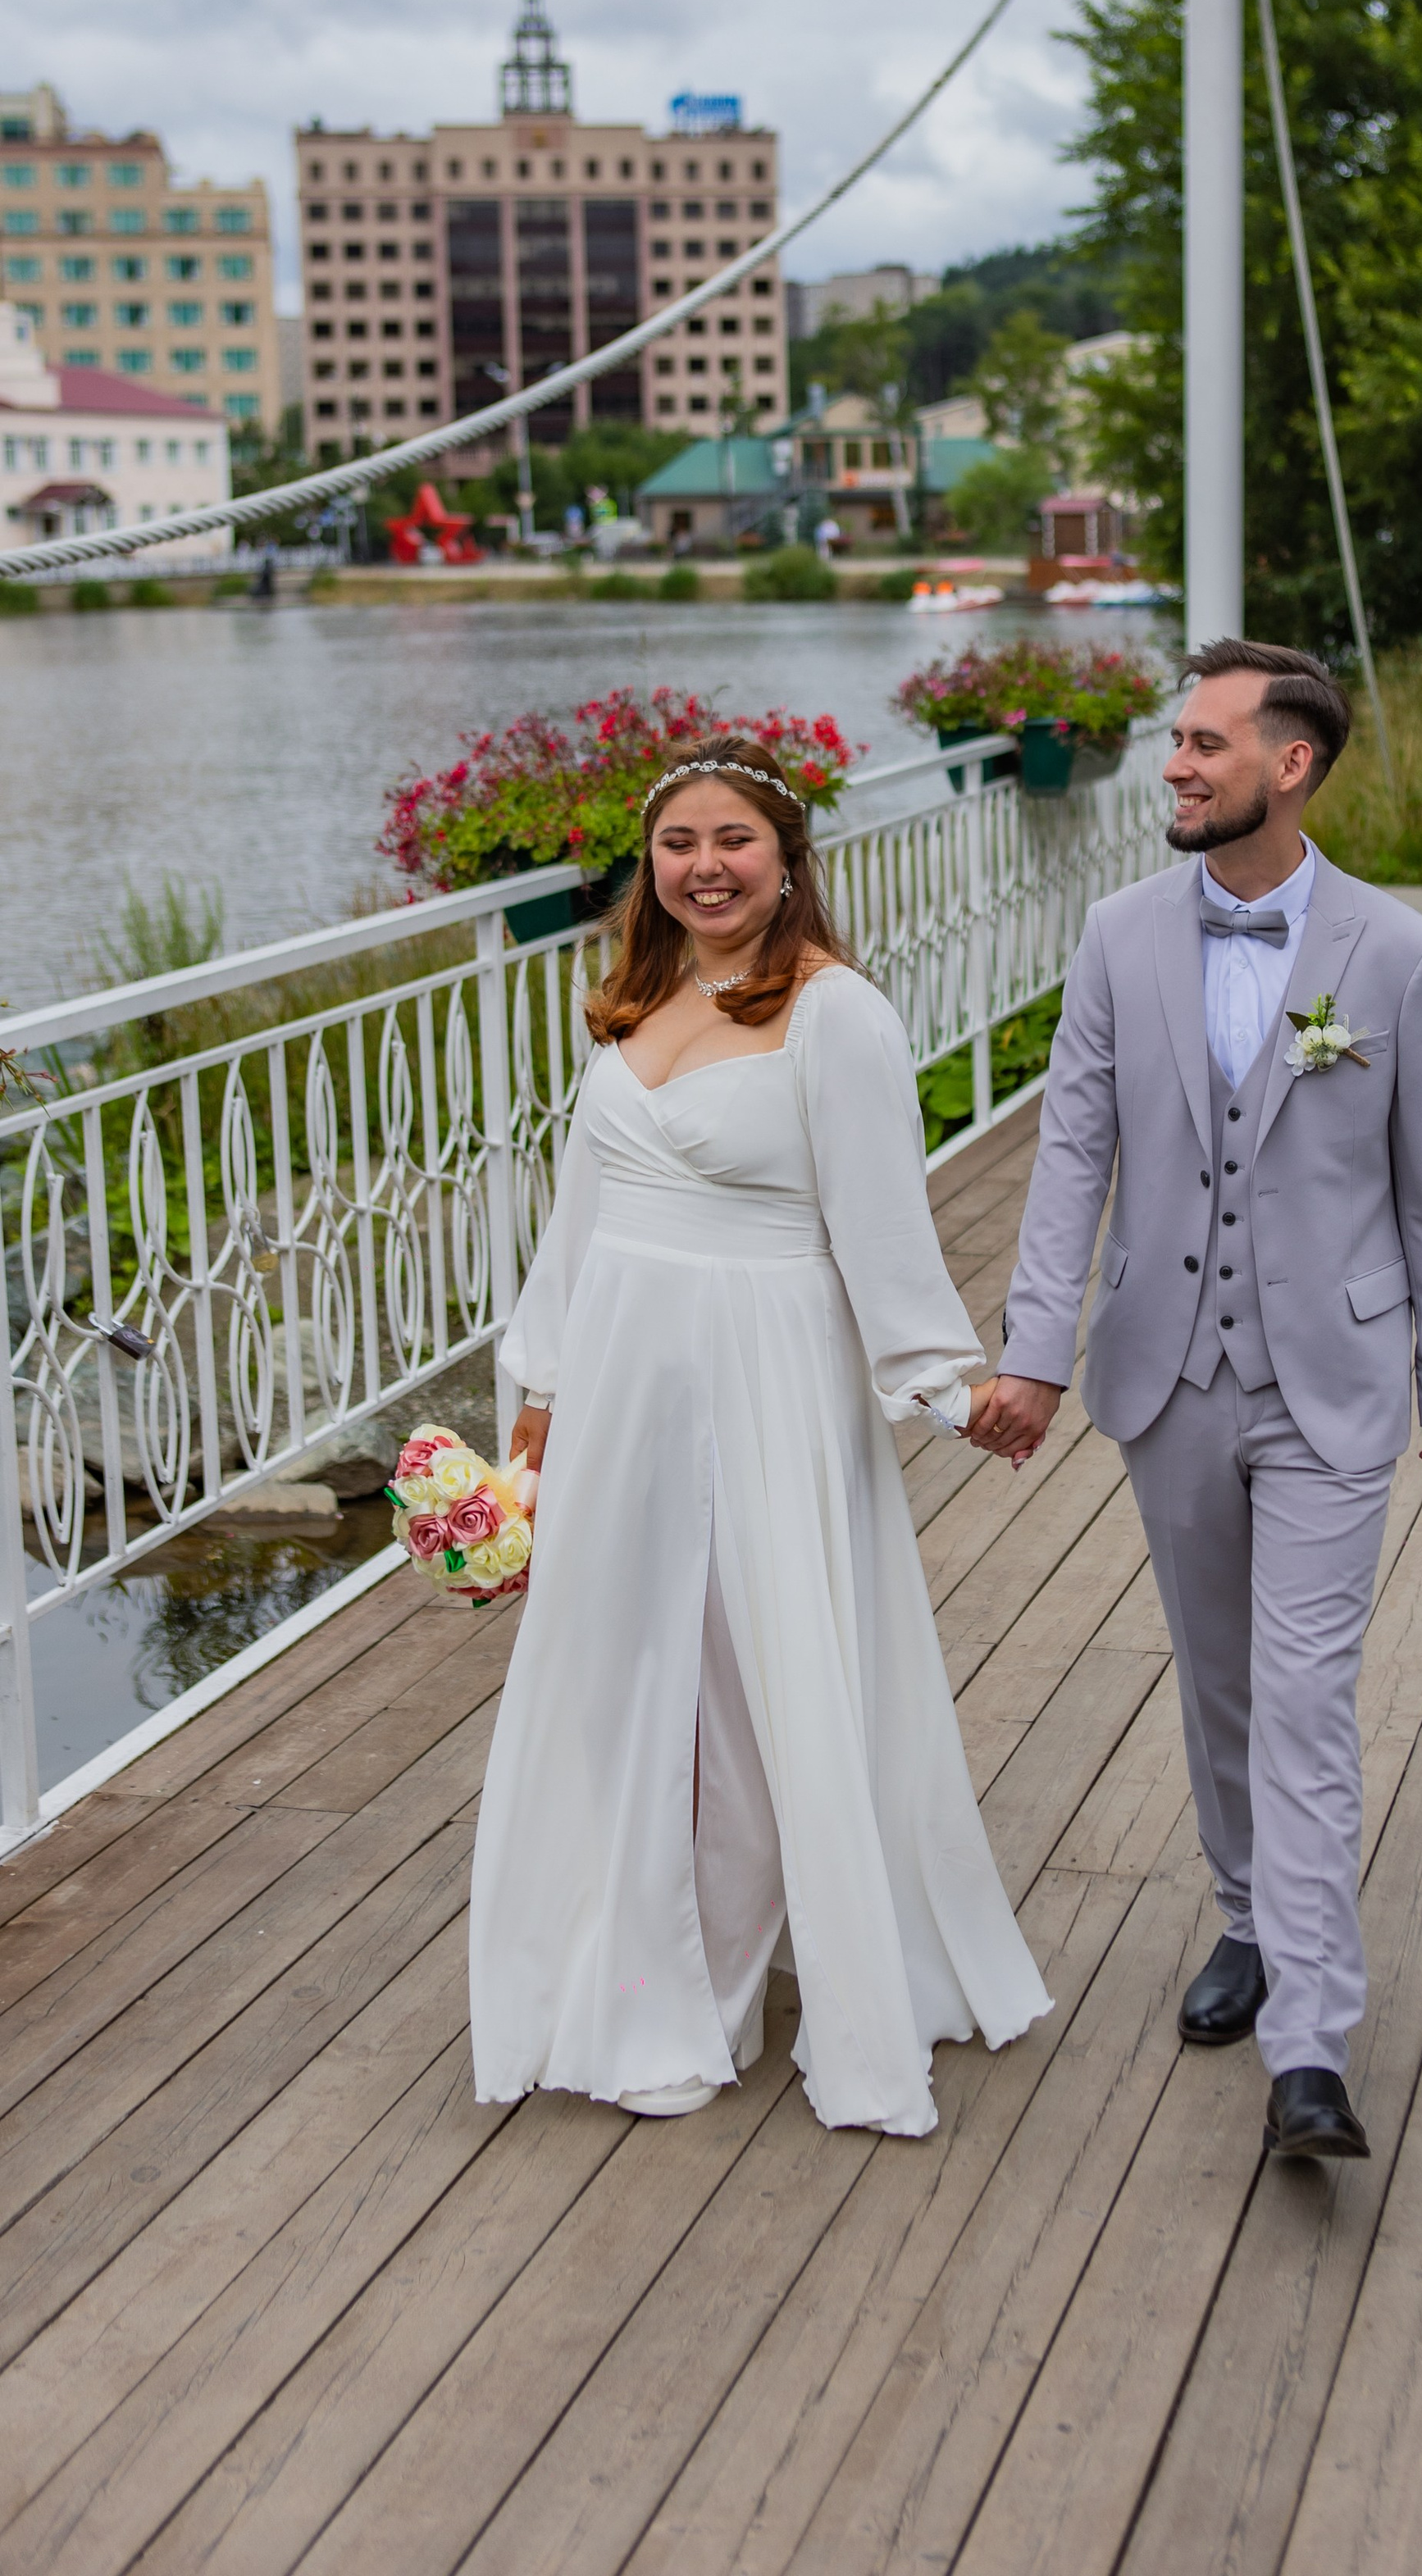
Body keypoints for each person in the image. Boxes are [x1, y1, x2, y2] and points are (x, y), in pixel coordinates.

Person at [469, 740, 1051, 2131]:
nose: (706, 867)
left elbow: (878, 1222)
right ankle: (625, 1978)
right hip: (624, 1380)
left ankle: (721, 1988)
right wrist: (540, 1397)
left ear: (787, 860)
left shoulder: (837, 1012)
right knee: (627, 1676)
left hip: (768, 1376)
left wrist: (942, 1384)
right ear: (649, 867)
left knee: (748, 1682)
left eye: (734, 841)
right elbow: (582, 1214)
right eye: (680, 844)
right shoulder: (635, 992)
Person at [972, 642, 1422, 2160]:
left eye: (1206, 744)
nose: (1178, 767)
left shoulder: (1398, 957)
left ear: (1293, 764)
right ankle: (1251, 1920)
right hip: (1167, 1372)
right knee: (1220, 1680)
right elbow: (1073, 1155)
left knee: (1307, 1699)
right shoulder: (1120, 936)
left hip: (1331, 1380)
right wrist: (1033, 1352)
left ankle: (1309, 2043)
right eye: (1174, 744)